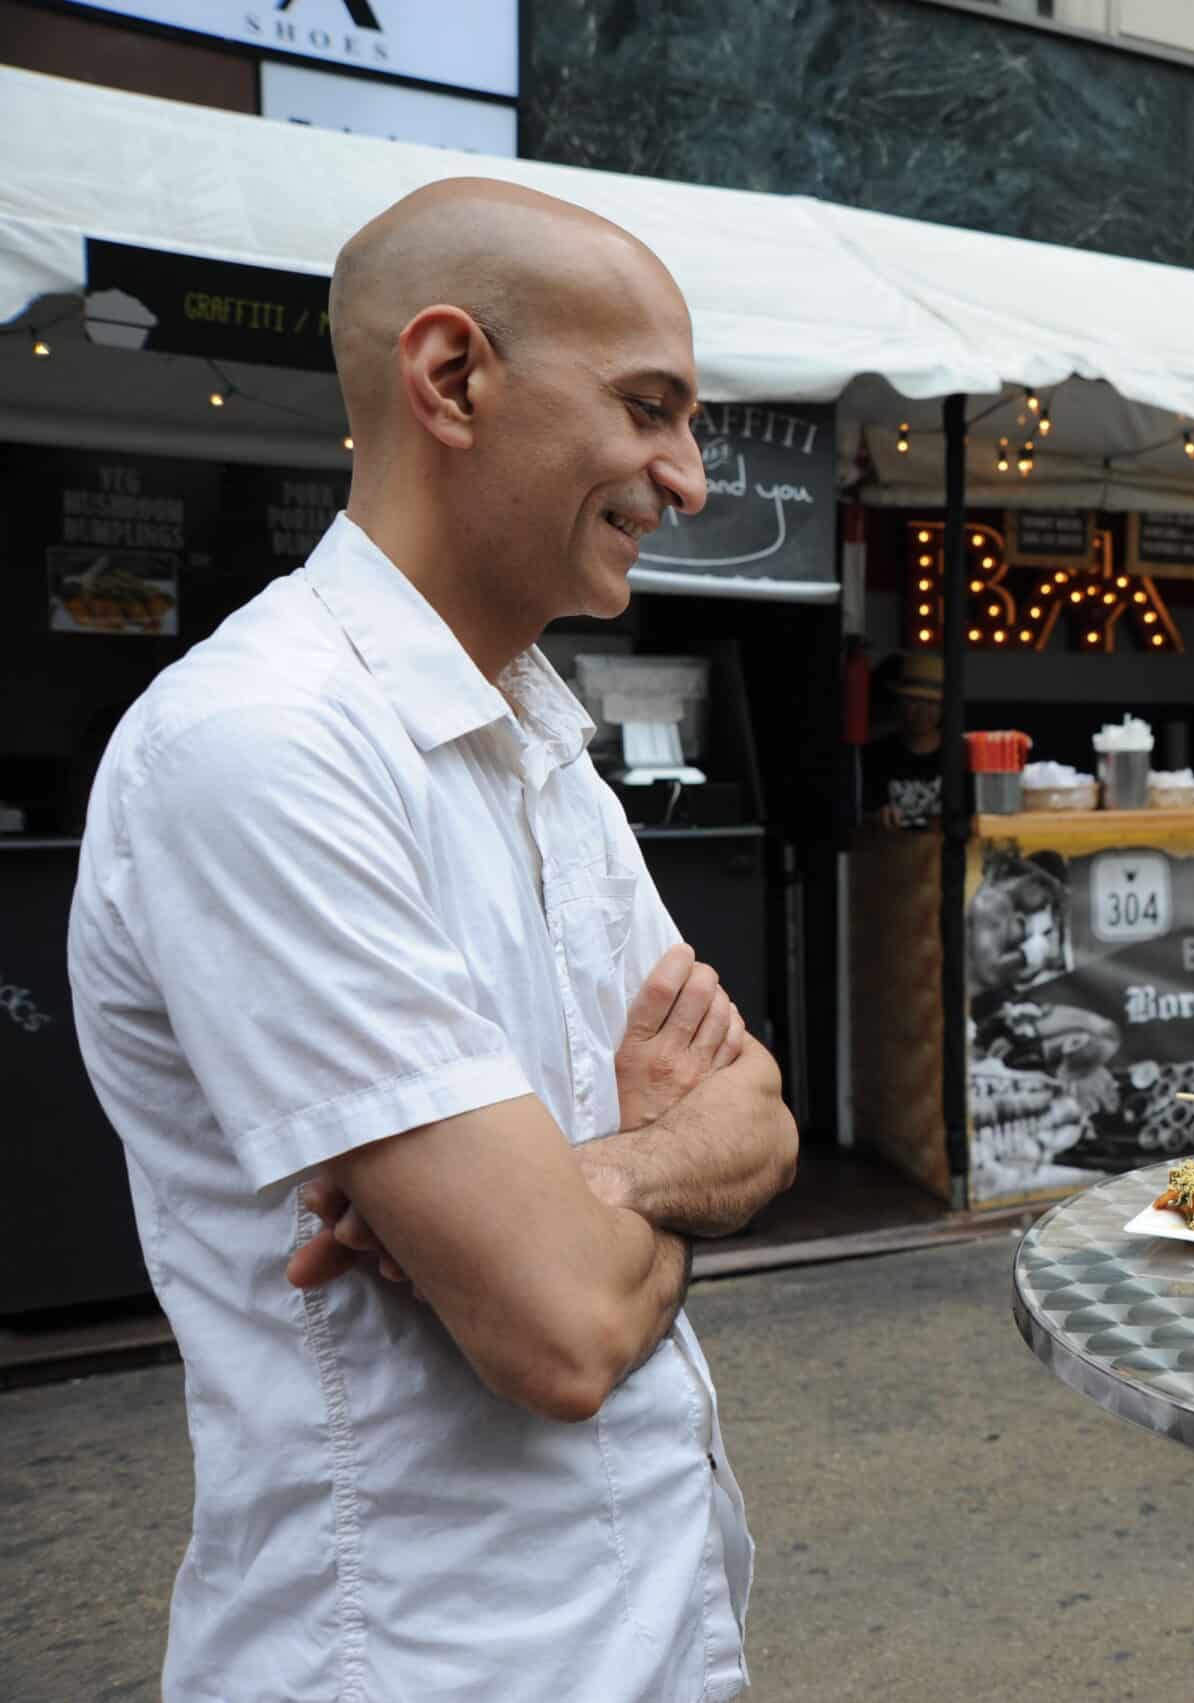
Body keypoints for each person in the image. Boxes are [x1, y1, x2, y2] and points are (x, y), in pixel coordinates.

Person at [66, 179, 800, 1701]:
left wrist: (591, 1179)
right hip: (421, 1657)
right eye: (651, 407)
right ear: (452, 377)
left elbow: (760, 1120)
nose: (692, 477)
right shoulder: (259, 744)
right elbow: (565, 1327)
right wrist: (589, 1208)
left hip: (660, 1632)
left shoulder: (539, 736)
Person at [863, 649, 946, 827]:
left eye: (932, 703)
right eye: (913, 700)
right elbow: (860, 814)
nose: (923, 711)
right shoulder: (875, 755)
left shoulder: (962, 755)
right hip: (889, 851)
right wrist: (875, 818)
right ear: (899, 702)